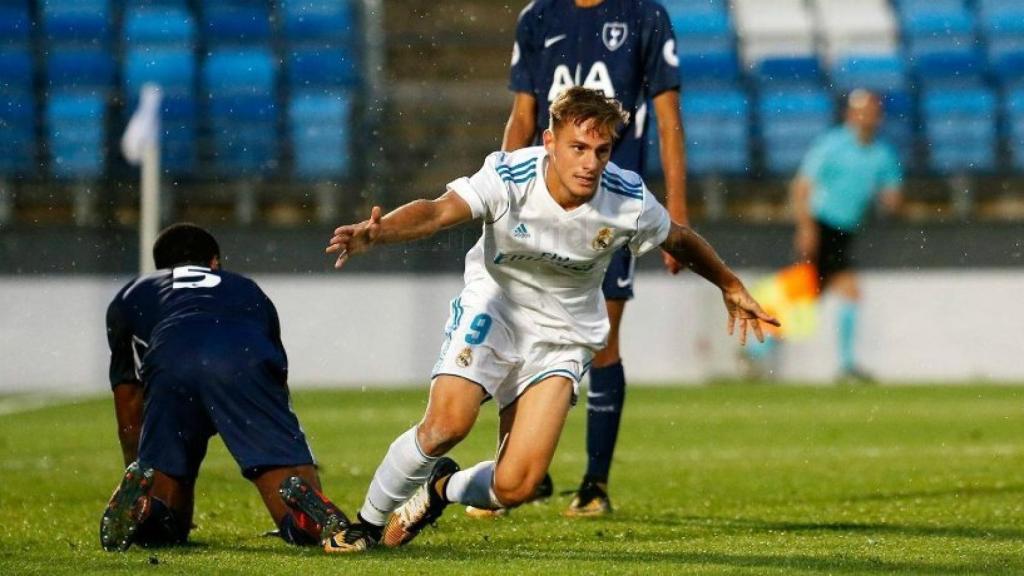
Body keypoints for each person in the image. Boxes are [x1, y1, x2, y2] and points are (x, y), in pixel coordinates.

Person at [318, 87, 776, 553]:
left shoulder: (626, 199)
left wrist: (729, 284)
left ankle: (441, 490)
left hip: (563, 337)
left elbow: (678, 240)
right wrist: (378, 232)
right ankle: (365, 525)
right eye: (578, 148)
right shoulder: (509, 174)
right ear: (550, 142)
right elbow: (437, 212)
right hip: (494, 307)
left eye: (602, 151)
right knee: (447, 425)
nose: (590, 163)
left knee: (517, 487)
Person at [502, 0, 688, 516]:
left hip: (610, 211)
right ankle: (521, 475)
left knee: (600, 340)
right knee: (519, 339)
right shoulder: (538, 17)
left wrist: (678, 215)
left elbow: (668, 119)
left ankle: (594, 485)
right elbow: (523, 115)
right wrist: (503, 187)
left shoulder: (644, 16)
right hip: (540, 207)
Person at [100, 223, 348, 551]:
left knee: (169, 523)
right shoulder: (245, 288)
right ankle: (305, 518)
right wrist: (288, 451)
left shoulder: (133, 294)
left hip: (170, 358)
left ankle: (147, 512)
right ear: (214, 262)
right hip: (241, 358)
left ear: (161, 266)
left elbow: (130, 401)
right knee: (294, 493)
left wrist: (140, 467)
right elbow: (276, 377)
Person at [791, 89, 903, 381]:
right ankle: (847, 364)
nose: (867, 116)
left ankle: (754, 352)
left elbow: (892, 191)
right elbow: (802, 186)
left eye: (873, 111)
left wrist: (891, 200)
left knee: (807, 296)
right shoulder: (832, 145)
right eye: (862, 110)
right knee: (847, 291)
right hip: (823, 226)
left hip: (845, 232)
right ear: (850, 114)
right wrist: (806, 227)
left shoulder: (883, 153)